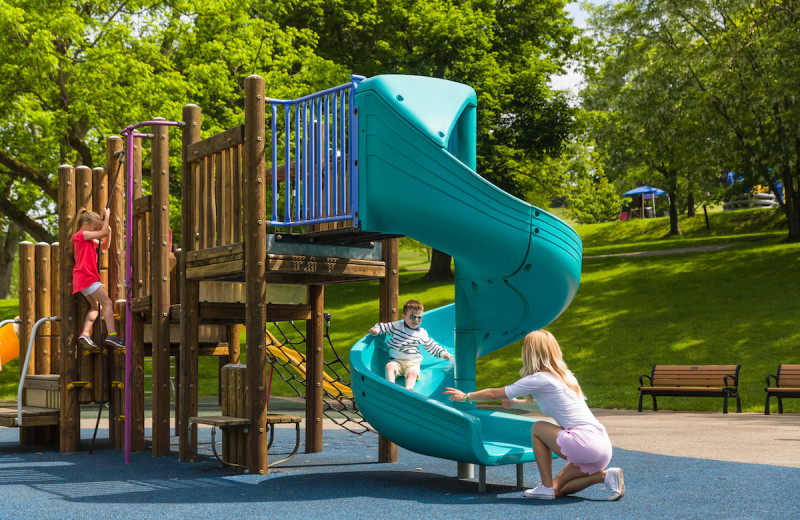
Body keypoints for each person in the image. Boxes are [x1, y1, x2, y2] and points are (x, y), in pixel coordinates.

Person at [444, 330, 624, 501]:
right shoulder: (566, 376)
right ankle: (606, 476)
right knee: (557, 490)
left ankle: (545, 487)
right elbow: (549, 402)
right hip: (601, 444)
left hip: (584, 442)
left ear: (530, 353)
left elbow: (493, 394)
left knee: (537, 427)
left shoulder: (539, 379)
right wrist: (517, 403)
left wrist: (466, 396)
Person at [369, 299, 453, 390]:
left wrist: (443, 353)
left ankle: (408, 390)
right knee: (389, 366)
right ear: (404, 317)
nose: (416, 320)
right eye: (412, 317)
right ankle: (391, 386)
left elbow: (431, 345)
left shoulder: (421, 333)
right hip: (396, 361)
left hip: (412, 363)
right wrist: (376, 330)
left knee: (412, 374)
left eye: (419, 317)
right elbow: (383, 326)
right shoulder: (397, 326)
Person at [72, 208, 125, 350]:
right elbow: (101, 234)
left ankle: (85, 333)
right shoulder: (81, 234)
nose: (96, 230)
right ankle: (112, 335)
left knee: (95, 307)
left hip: (83, 280)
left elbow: (104, 246)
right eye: (94, 227)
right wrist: (107, 217)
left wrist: (109, 232)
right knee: (107, 303)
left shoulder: (87, 239)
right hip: (86, 277)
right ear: (86, 225)